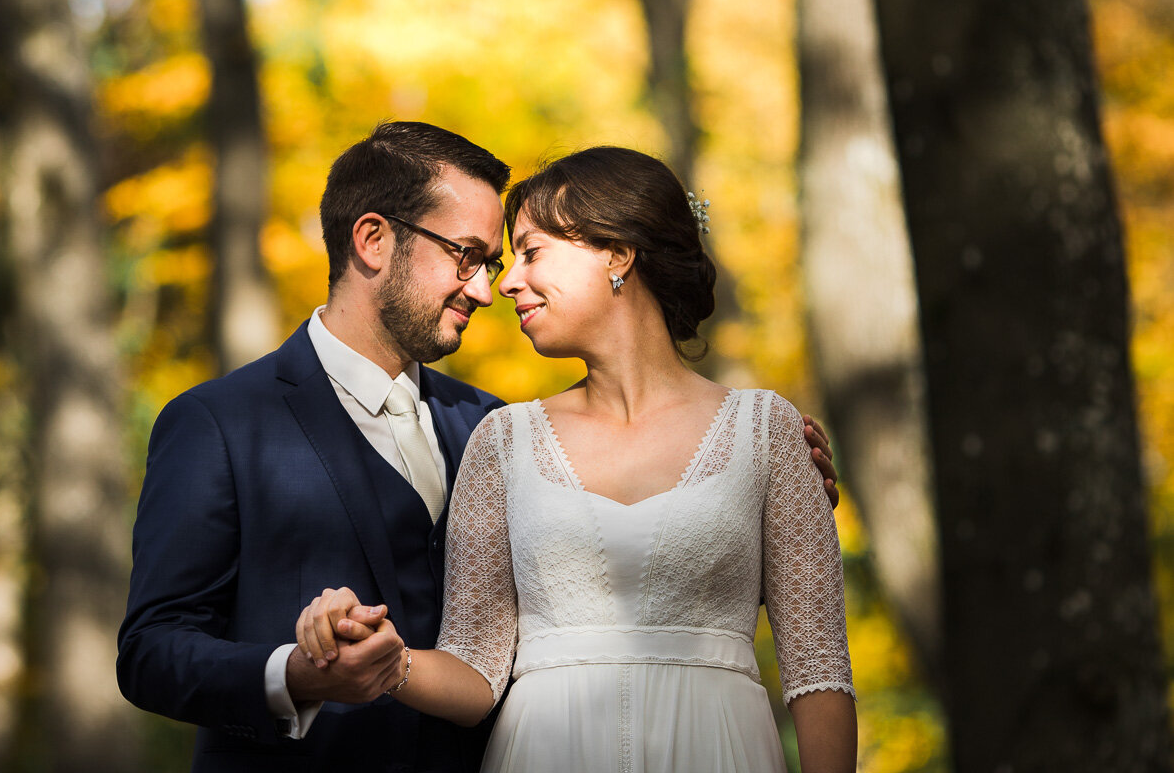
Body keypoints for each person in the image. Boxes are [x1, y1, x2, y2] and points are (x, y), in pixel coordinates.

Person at [117, 124, 839, 773]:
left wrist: (765, 493)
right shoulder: (218, 422)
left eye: (496, 261)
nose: (488, 290)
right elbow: (151, 650)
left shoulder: (493, 425)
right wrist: (298, 674)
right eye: (468, 257)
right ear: (372, 240)